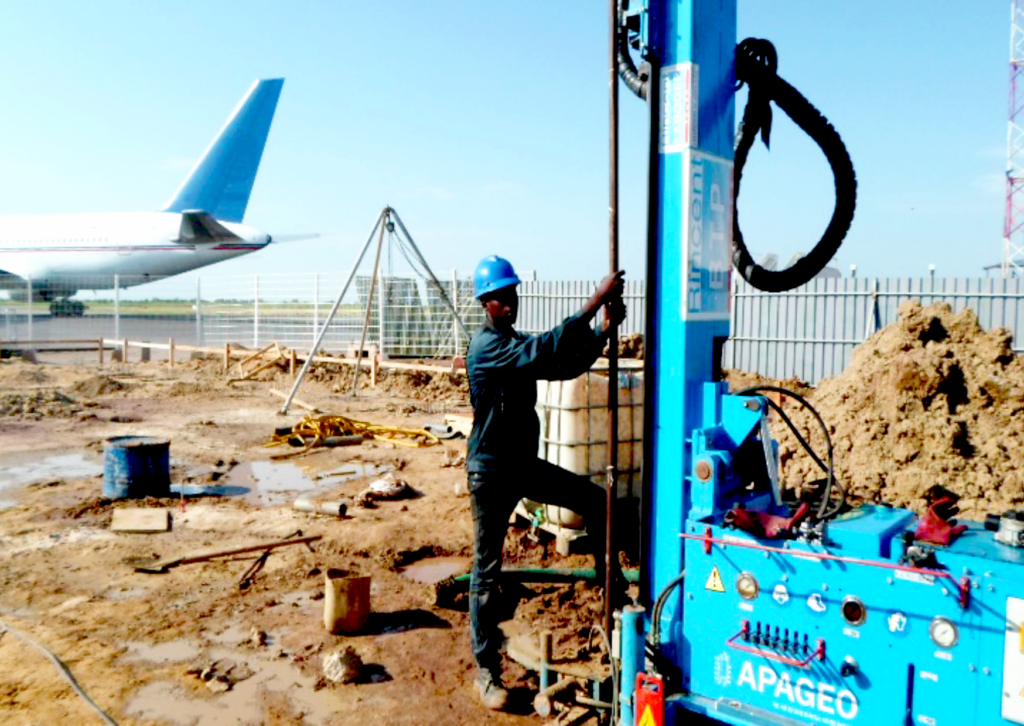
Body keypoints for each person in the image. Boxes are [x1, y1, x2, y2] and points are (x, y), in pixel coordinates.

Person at [465, 254, 626, 710]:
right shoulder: (486, 348)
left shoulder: (512, 342)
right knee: (486, 571)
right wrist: (595, 301)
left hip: (521, 464)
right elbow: (545, 349)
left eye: (511, 293)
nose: (508, 302)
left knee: (595, 501)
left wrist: (601, 334)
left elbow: (562, 364)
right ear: (485, 303)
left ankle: (610, 602)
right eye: (499, 297)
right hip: (491, 472)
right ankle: (486, 671)